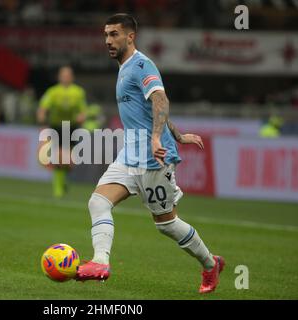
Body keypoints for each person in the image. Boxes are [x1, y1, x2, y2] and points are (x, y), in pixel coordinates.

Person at [76, 14, 225, 294]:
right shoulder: (124, 68)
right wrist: (179, 135)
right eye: (106, 34)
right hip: (129, 154)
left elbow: (161, 99)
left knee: (166, 225)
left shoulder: (142, 65)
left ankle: (210, 263)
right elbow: (152, 107)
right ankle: (100, 263)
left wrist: (159, 137)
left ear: (130, 37)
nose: (108, 40)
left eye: (115, 35)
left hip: (153, 159)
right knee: (97, 202)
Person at [37, 66, 87, 198]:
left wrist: (82, 117)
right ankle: (58, 189)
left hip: (71, 127)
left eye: (68, 75)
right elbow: (43, 107)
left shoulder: (78, 92)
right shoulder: (53, 92)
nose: (66, 77)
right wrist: (42, 120)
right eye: (63, 75)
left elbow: (83, 110)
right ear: (59, 77)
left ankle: (63, 181)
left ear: (72, 77)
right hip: (56, 127)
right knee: (58, 158)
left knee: (68, 160)